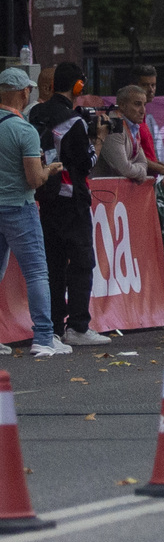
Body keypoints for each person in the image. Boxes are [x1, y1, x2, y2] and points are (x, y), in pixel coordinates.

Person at [28, 61, 111, 347]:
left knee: (52, 264)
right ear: (78, 86)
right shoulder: (73, 122)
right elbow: (86, 163)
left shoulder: (34, 113)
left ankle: (51, 327)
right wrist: (98, 140)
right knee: (82, 262)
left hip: (44, 197)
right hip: (72, 200)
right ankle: (77, 326)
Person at [0, 68, 70, 357]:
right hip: (20, 207)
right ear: (23, 92)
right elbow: (34, 178)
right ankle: (43, 336)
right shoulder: (24, 130)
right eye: (28, 90)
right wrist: (50, 170)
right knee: (37, 273)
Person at [92, 85, 150, 182]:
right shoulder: (113, 126)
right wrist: (142, 173)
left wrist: (134, 169)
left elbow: (143, 162)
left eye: (144, 105)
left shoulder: (132, 125)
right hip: (101, 191)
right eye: (137, 104)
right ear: (122, 105)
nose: (143, 111)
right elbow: (123, 169)